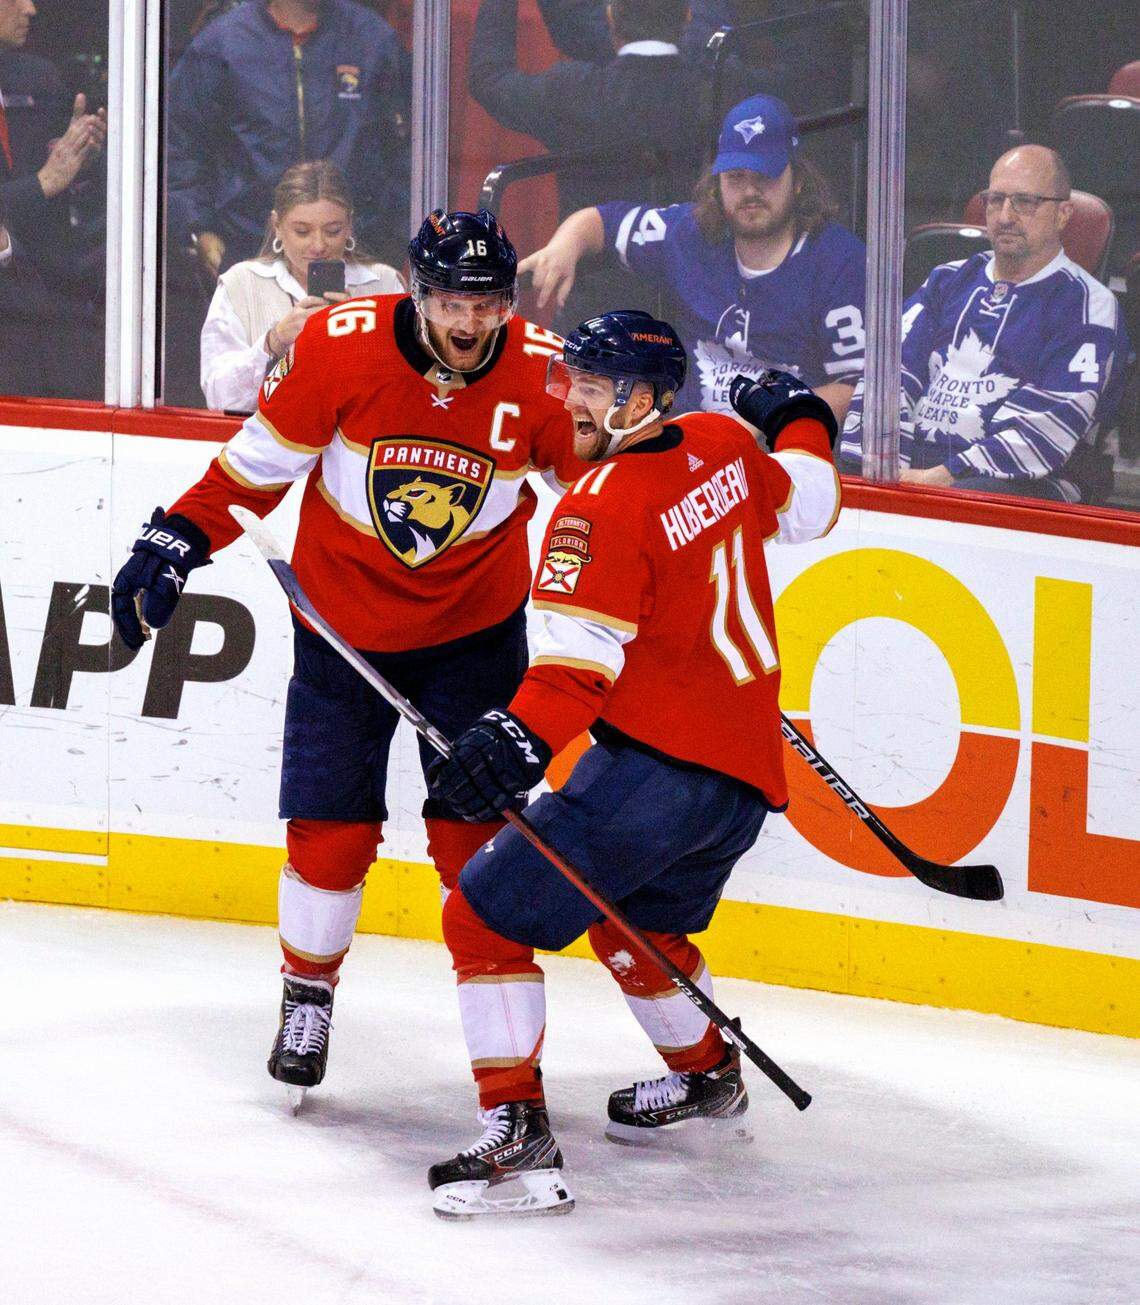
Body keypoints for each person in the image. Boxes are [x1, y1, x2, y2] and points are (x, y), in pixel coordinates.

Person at [109, 210, 586, 1101]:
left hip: (475, 639)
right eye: (452, 302)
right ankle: (307, 992)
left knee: (478, 848)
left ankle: (509, 1075)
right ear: (417, 292)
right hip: (340, 630)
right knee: (330, 836)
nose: (471, 323)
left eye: (488, 304)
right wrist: (177, 537)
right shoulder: (340, 346)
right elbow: (254, 468)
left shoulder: (544, 373)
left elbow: (603, 493)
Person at [423, 310, 841, 1218]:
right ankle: (708, 1074)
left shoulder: (597, 507)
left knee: (481, 917)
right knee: (631, 925)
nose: (569, 400)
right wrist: (801, 415)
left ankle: (519, 1138)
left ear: (645, 397)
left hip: (656, 776)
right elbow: (812, 500)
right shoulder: (724, 442)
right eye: (569, 379)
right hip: (741, 780)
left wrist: (515, 738)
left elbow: (576, 671)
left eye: (592, 385)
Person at [521, 94, 866, 424]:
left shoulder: (839, 262)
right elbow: (603, 222)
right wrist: (564, 245)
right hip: (688, 439)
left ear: (798, 181)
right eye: (736, 177)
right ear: (718, 183)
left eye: (764, 176)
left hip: (783, 446)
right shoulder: (688, 233)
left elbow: (857, 387)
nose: (749, 192)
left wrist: (768, 419)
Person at [839, 145, 1131, 503]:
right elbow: (887, 376)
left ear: (1062, 214)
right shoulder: (946, 279)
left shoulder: (1088, 306)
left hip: (1015, 484)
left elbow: (1045, 429)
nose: (1005, 216)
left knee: (973, 497)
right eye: (995, 200)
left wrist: (939, 478)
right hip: (912, 472)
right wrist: (886, 468)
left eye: (1024, 202)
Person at [167, 0, 409, 277]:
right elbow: (180, 143)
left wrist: (393, 239)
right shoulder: (222, 43)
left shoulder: (371, 39)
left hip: (353, 252)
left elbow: (408, 148)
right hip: (248, 249)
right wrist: (199, 229)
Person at [468, 0, 708, 220]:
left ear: (610, 17)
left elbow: (490, 80)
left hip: (589, 253)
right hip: (692, 253)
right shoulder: (714, 89)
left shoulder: (573, 92)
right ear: (688, 15)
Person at [200, 160, 404, 413]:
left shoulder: (384, 285)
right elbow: (219, 399)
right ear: (277, 226)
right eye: (302, 231)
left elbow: (408, 398)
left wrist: (361, 343)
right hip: (268, 437)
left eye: (332, 231)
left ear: (349, 226)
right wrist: (274, 341)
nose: (318, 246)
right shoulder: (240, 284)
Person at [0, 0, 108, 396]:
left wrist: (84, 156)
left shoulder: (37, 77)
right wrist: (43, 183)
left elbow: (65, 182)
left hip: (53, 305)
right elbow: (46, 181)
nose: (30, 9)